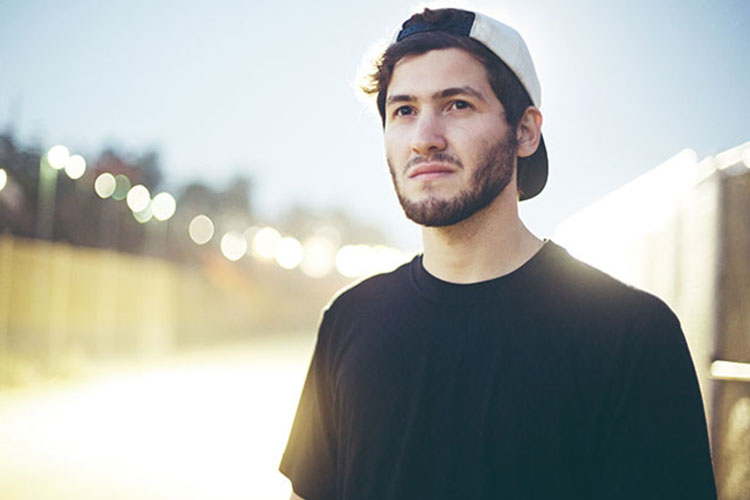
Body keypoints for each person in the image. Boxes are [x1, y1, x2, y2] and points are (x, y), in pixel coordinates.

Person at [280, 7, 716, 500]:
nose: (424, 139)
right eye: (404, 111)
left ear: (525, 131)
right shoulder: (349, 318)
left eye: (457, 104)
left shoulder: (632, 335)